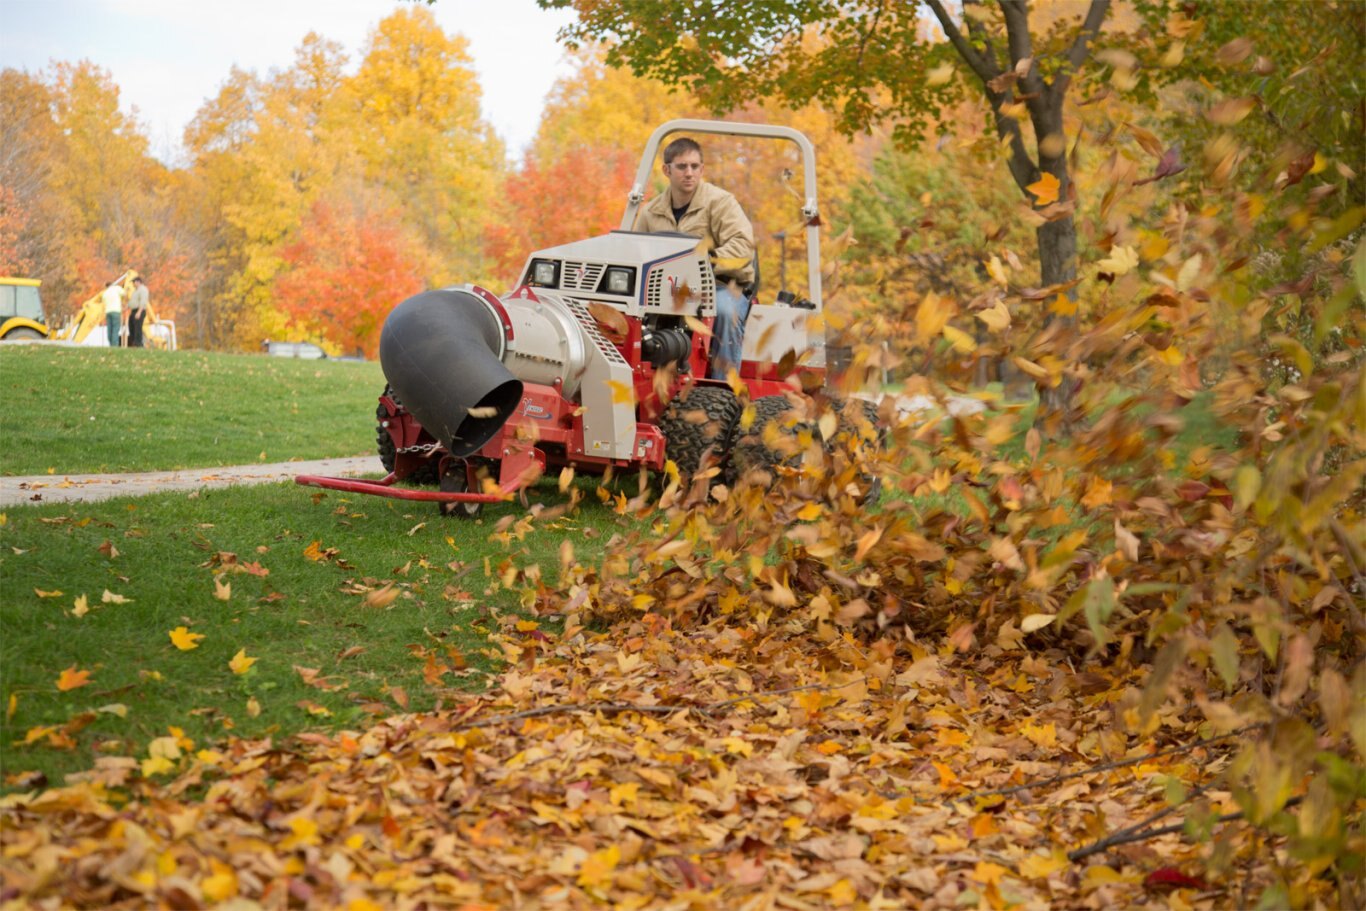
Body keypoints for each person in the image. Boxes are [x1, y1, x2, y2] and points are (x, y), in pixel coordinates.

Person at [636, 137, 755, 380]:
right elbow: (634, 251)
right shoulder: (650, 212)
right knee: (628, 312)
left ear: (702, 169)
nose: (689, 173)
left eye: (694, 166)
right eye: (682, 166)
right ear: (667, 170)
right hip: (665, 289)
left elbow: (743, 247)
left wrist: (705, 262)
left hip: (719, 286)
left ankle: (723, 389)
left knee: (725, 311)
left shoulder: (720, 202)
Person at [101, 278, 125, 348]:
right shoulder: (116, 288)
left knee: (109, 328)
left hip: (108, 312)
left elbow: (103, 302)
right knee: (115, 329)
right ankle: (114, 345)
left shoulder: (105, 293)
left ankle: (111, 343)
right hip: (116, 311)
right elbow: (124, 293)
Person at [127, 276, 148, 348]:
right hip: (133, 311)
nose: (133, 284)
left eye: (134, 282)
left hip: (139, 310)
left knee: (138, 328)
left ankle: (138, 344)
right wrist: (127, 306)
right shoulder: (135, 291)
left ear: (138, 282)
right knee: (131, 326)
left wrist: (139, 312)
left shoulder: (143, 290)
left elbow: (143, 301)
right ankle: (134, 343)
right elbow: (132, 302)